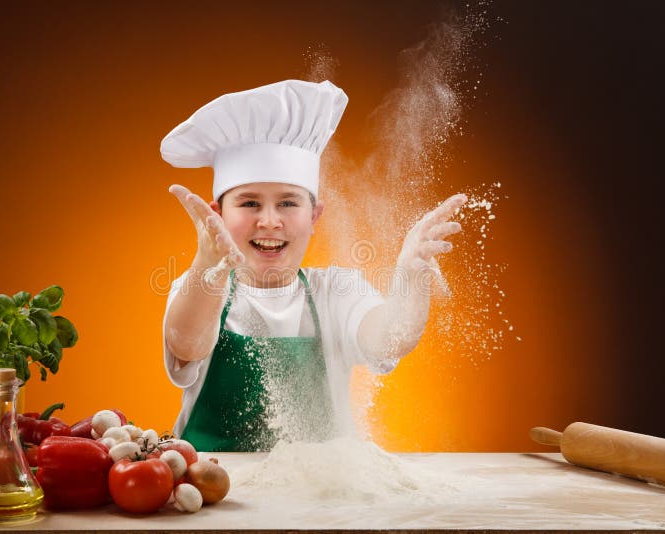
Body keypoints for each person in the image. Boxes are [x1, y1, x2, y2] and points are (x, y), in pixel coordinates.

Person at [160, 79, 466, 452]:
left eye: (288, 203)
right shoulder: (202, 289)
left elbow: (389, 338)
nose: (270, 221)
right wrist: (208, 262)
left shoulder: (336, 293)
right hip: (213, 490)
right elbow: (187, 344)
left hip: (320, 496)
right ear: (217, 215)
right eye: (249, 203)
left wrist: (409, 278)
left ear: (314, 216)